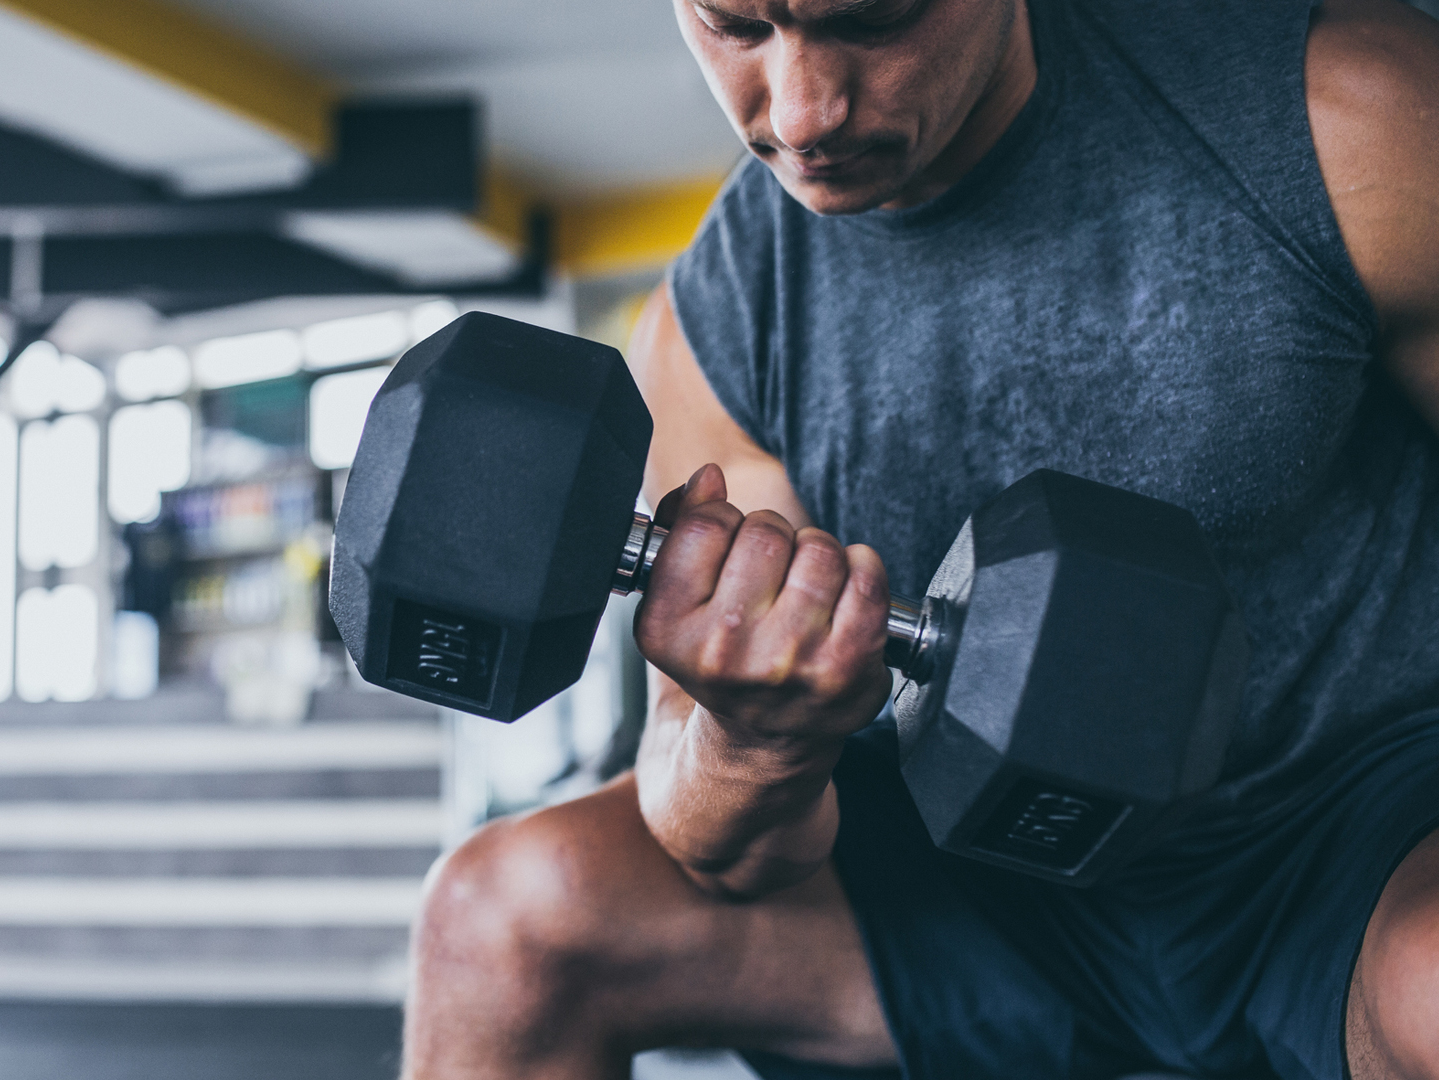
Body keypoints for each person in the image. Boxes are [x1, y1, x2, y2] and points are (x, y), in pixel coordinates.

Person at [404, 0, 1439, 1077]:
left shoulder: (1341, 117)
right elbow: (721, 841)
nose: (803, 111)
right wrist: (753, 743)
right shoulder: (715, 323)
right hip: (974, 888)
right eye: (735, 25)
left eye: (875, 19)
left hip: (1352, 844)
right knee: (500, 925)